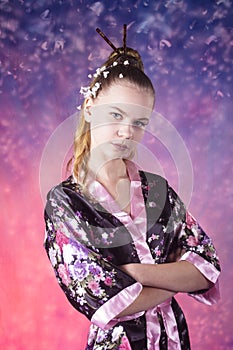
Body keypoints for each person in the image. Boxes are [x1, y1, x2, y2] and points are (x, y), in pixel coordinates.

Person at [44, 26, 221, 350]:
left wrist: (134, 272)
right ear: (90, 107)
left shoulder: (159, 192)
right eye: (116, 115)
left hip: (173, 340)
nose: (127, 132)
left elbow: (205, 267)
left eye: (139, 122)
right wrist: (172, 278)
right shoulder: (66, 202)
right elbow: (103, 299)